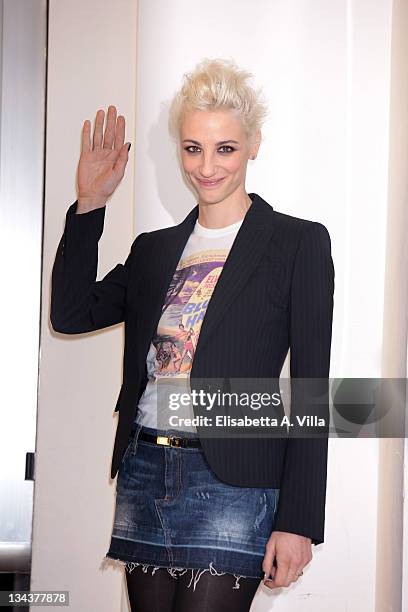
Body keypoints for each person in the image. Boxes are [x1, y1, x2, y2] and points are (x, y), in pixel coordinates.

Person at [50, 57, 335, 612]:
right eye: (192, 148)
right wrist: (90, 206)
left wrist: (298, 521)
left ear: (253, 144)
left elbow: (311, 388)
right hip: (145, 474)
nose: (206, 166)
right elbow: (70, 313)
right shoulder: (154, 250)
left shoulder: (296, 243)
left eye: (225, 148)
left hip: (233, 481)